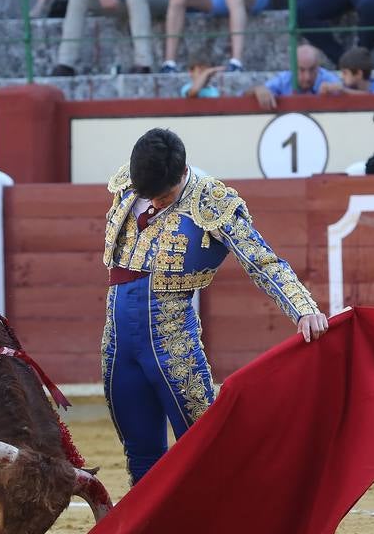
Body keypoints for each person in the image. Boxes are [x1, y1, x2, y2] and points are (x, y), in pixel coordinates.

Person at [102, 126, 327, 483]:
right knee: (140, 454)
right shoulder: (131, 183)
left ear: (182, 172)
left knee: (206, 450)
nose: (155, 202)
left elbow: (261, 261)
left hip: (172, 345)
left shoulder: (211, 202)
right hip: (117, 344)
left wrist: (302, 306)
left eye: (164, 196)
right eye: (149, 195)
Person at [249, 43, 341, 108]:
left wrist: (340, 90)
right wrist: (258, 89)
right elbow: (245, 94)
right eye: (301, 70)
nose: (307, 77)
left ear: (318, 67)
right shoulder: (283, 80)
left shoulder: (328, 78)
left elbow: (345, 91)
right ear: (292, 68)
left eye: (312, 69)